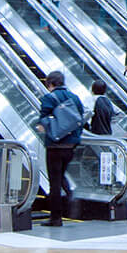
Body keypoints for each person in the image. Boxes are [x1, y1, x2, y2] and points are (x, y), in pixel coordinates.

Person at [36, 71, 85, 227]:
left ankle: (56, 217)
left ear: (50, 84)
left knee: (54, 182)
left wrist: (46, 127)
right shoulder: (75, 98)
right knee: (62, 175)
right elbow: (80, 118)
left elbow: (43, 119)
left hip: (55, 146)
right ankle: (71, 198)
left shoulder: (49, 98)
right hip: (71, 146)